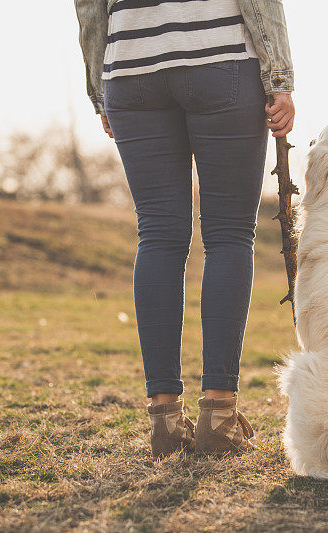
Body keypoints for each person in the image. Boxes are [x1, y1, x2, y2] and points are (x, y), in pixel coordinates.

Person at [75, 0, 295, 457]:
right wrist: (279, 77)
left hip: (130, 66)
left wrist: (101, 88)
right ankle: (218, 414)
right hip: (219, 57)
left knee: (157, 234)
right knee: (230, 234)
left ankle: (166, 420)